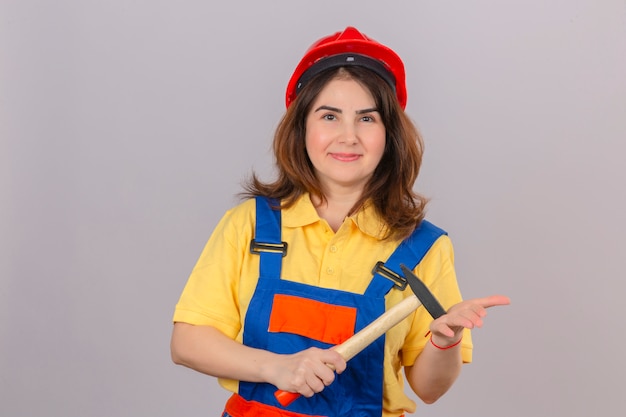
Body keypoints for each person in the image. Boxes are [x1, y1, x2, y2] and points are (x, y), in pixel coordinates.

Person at [170, 26, 510, 417]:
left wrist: (446, 340)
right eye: (329, 116)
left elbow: (430, 390)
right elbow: (187, 342)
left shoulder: (424, 248)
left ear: (389, 136)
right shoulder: (249, 224)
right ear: (302, 129)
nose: (348, 136)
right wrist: (277, 367)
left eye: (367, 118)